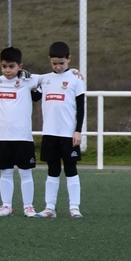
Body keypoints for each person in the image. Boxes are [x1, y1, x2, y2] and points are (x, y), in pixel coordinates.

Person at [0, 47, 42, 217]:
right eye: (4, 66)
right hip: (3, 136)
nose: (7, 70)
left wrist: (74, 72)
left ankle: (28, 207)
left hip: (22, 136)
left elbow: (49, 78)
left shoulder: (28, 80)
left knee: (26, 172)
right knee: (6, 172)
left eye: (11, 66)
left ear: (20, 66)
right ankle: (6, 206)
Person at [33, 42, 85, 219]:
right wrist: (21, 81)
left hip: (68, 134)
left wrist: (78, 131)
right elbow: (33, 96)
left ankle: (74, 207)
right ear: (50, 60)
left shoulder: (75, 79)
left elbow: (81, 107)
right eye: (54, 63)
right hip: (49, 133)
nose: (58, 66)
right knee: (52, 170)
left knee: (71, 169)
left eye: (61, 63)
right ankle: (49, 208)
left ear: (69, 59)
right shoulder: (45, 79)